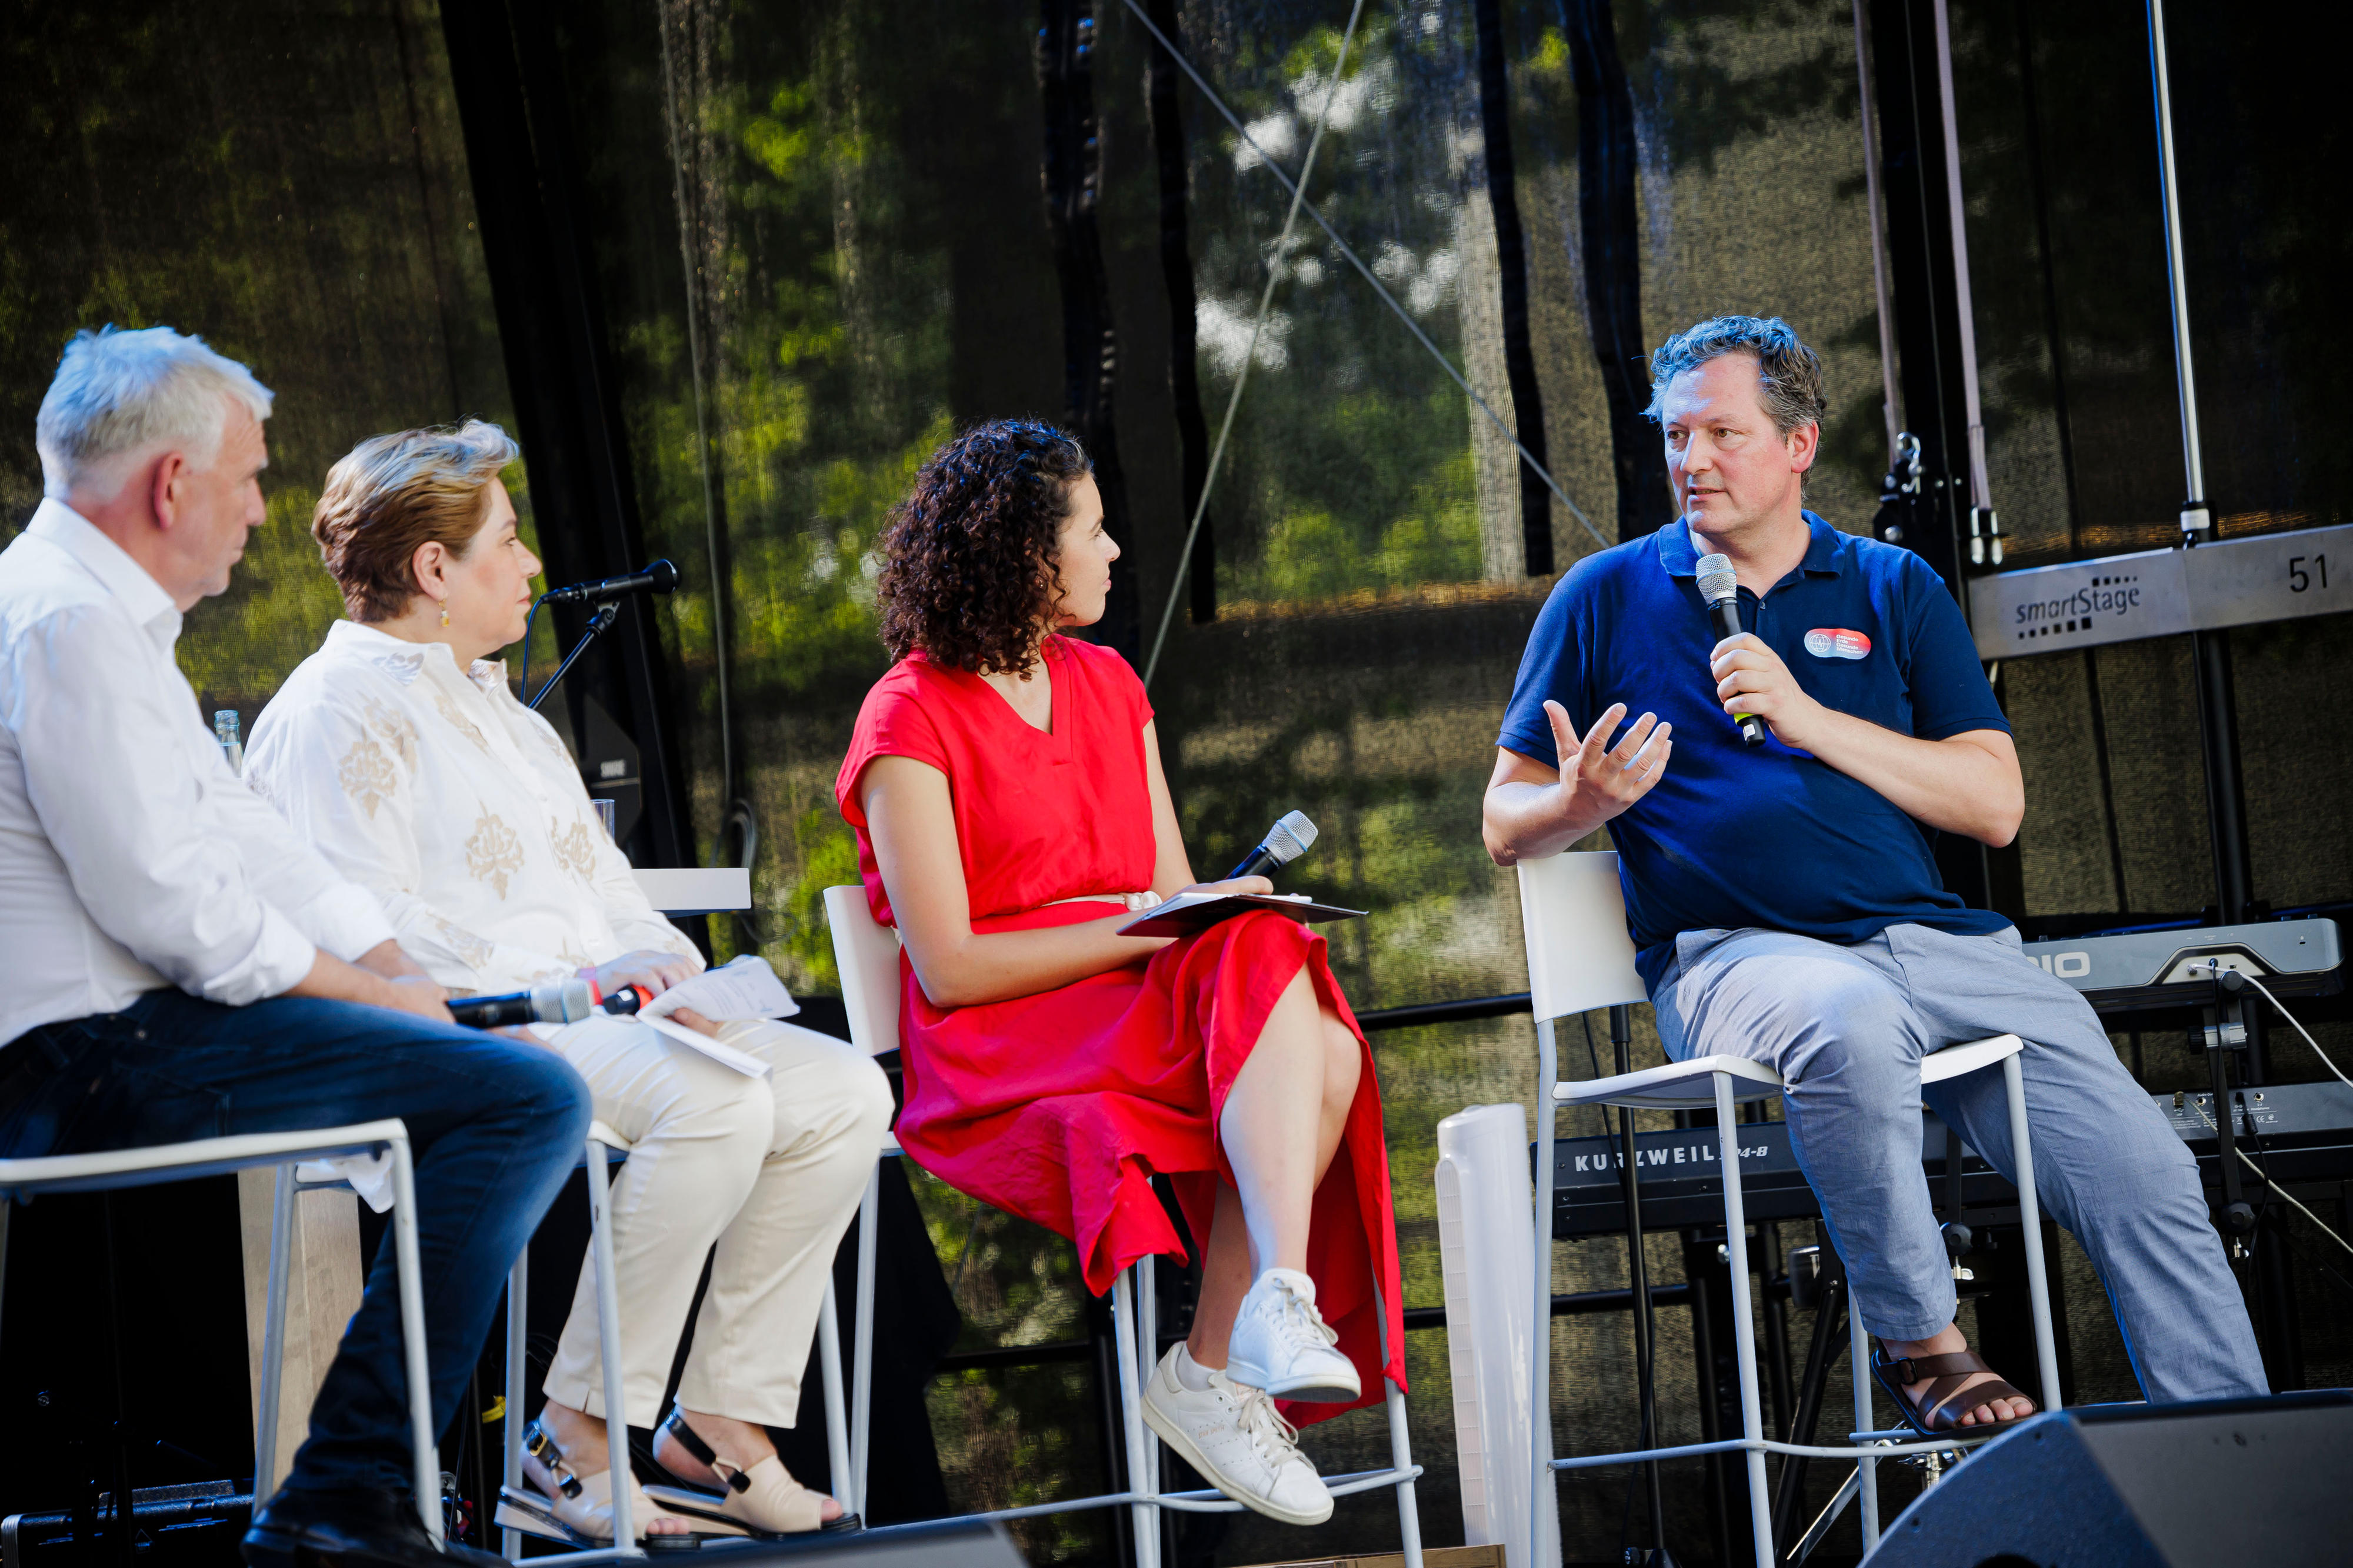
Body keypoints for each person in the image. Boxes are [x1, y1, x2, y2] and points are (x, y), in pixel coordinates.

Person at [1481, 314, 2267, 1432]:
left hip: (1939, 951)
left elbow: (1993, 806)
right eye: (1674, 436)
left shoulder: (1893, 584)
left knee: (2142, 1168)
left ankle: (2232, 1451)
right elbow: (1503, 823)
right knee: (1842, 1013)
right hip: (1736, 956)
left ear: (1799, 445)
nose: (1690, 461)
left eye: (1721, 432)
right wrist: (1579, 805)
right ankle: (1922, 1344)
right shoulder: (1604, 594)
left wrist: (1806, 717)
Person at [0, 326, 592, 1568]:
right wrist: (378, 999)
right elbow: (183, 918)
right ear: (173, 485)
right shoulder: (63, 624)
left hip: (127, 1038)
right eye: (251, 477)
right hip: (84, 1059)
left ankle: (361, 1486)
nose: (263, 512)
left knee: (507, 1078)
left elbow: (249, 842)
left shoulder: (103, 622)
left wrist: (396, 973)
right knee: (527, 1096)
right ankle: (349, 1487)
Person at [242, 421, 891, 1546]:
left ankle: (723, 1423)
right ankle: (571, 1441)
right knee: (720, 1101)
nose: (534, 562)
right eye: (508, 536)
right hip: (486, 1029)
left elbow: (613, 892)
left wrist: (674, 971)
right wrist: (585, 982)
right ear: (434, 569)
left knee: (843, 1090)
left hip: (597, 1015)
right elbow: (361, 927)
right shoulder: (328, 708)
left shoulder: (504, 713)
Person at [834, 419, 1405, 1527]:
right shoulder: (905, 714)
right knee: (1308, 1040)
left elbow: (1174, 895)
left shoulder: (1107, 682)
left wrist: (1193, 918)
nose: (1112, 554)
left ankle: (1254, 1320)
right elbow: (949, 969)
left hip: (1131, 996)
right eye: (1091, 533)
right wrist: (1151, 931)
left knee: (1293, 993)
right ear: (1023, 554)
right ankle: (1229, 1354)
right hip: (1004, 1029)